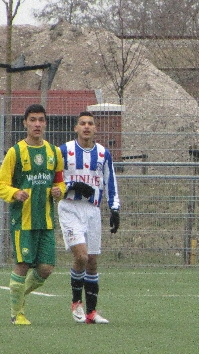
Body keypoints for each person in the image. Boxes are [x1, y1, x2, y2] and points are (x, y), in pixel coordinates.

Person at [0, 104, 66, 325]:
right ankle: (18, 314)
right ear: (25, 123)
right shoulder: (15, 152)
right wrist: (15, 193)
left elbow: (61, 182)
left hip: (45, 220)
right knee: (23, 265)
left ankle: (18, 297)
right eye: (33, 119)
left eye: (41, 120)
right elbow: (0, 184)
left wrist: (59, 191)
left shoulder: (54, 152)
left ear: (45, 123)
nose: (37, 124)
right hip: (22, 220)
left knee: (46, 269)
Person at [58, 111, 120, 324]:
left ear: (95, 128)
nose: (86, 127)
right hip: (70, 208)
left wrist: (115, 209)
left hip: (92, 211)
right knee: (82, 256)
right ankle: (76, 303)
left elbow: (110, 181)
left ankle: (92, 313)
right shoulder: (64, 151)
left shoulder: (103, 154)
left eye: (90, 124)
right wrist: (71, 186)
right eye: (82, 123)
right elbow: (53, 182)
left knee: (92, 261)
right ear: (76, 128)